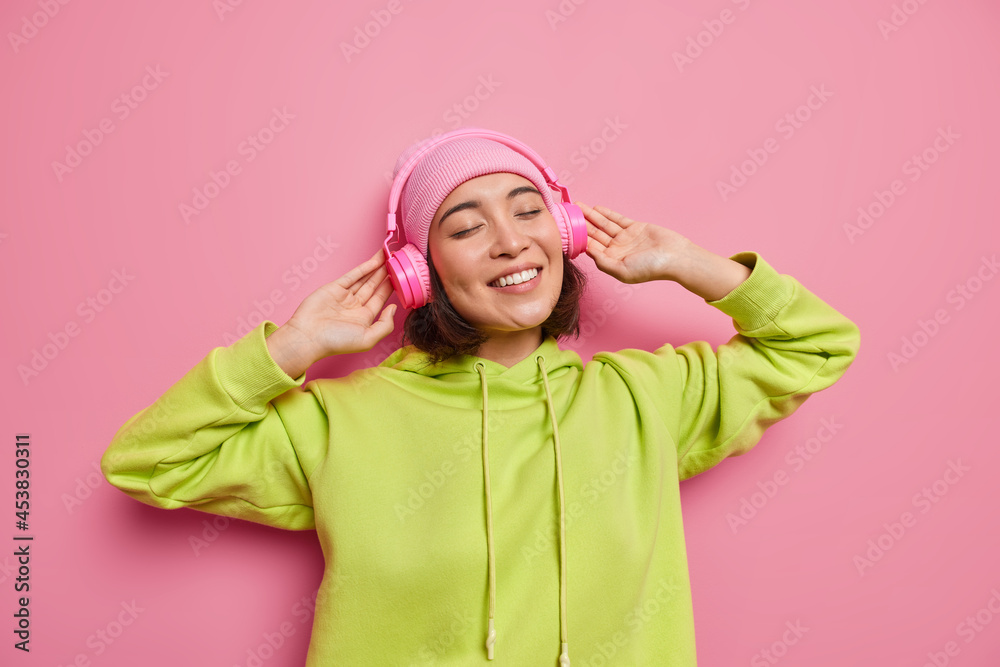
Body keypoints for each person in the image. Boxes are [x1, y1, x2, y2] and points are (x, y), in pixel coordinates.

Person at [101, 127, 861, 666]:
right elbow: (148, 460)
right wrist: (292, 348)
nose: (510, 240)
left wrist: (692, 264)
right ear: (419, 271)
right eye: (467, 227)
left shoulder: (646, 399)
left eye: (530, 211)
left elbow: (820, 343)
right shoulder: (342, 421)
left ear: (566, 234)